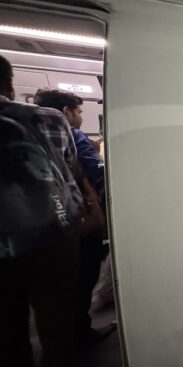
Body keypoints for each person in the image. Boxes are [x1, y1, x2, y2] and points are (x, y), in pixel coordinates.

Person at [0, 54, 84, 367]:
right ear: (9, 82)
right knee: (57, 331)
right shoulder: (46, 118)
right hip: (51, 239)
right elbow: (68, 166)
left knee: (7, 336)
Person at [34, 89, 113, 348]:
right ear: (66, 112)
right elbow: (97, 171)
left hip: (44, 220)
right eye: (78, 111)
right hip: (78, 217)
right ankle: (81, 333)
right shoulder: (74, 135)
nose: (80, 116)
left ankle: (62, 336)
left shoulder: (30, 132)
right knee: (84, 275)